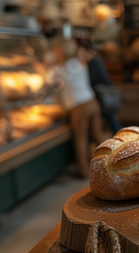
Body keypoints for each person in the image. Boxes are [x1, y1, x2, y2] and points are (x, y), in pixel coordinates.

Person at [49, 38, 105, 178]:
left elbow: (47, 80)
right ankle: (111, 161)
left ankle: (83, 172)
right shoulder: (78, 63)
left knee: (80, 140)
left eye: (55, 49)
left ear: (60, 51)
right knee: (98, 136)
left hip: (79, 107)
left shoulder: (59, 69)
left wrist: (40, 66)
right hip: (92, 102)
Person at [86, 50, 123, 134]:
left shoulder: (93, 62)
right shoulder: (97, 59)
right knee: (110, 117)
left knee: (110, 117)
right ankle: (120, 135)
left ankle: (120, 135)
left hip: (102, 94)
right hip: (105, 92)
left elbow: (91, 79)